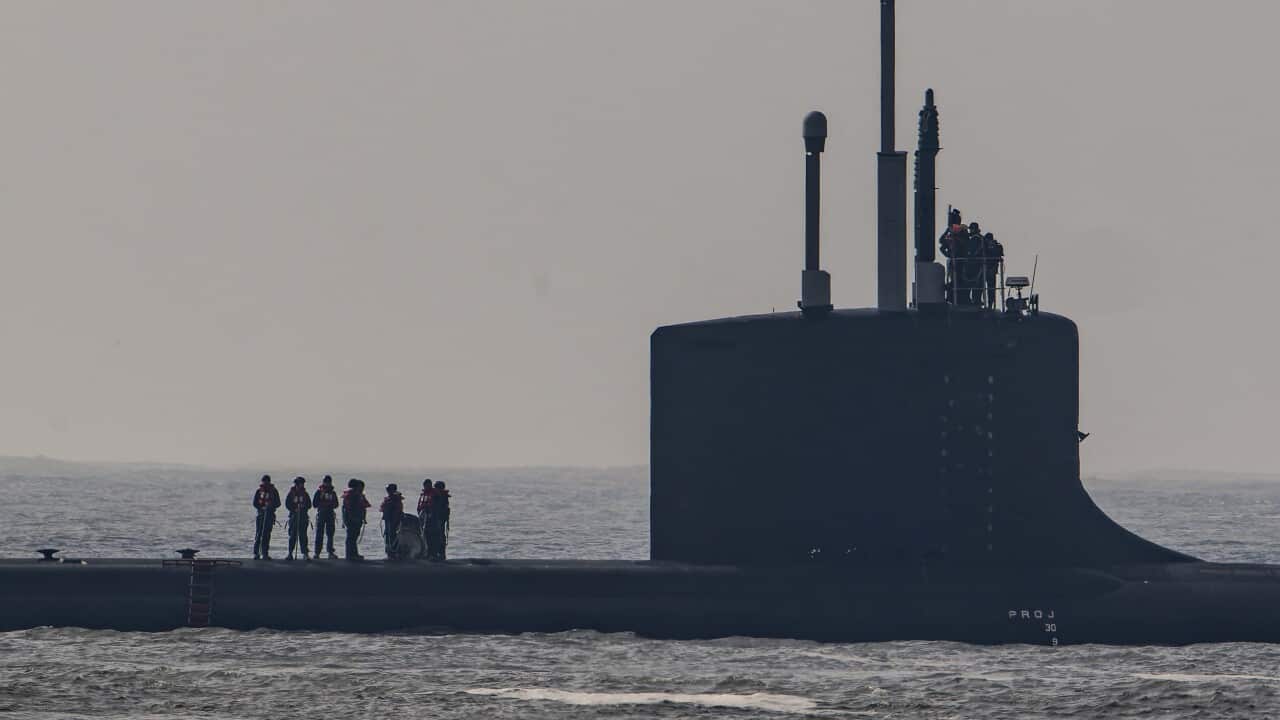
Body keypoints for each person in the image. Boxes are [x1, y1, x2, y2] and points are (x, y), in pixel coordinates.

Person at [252, 474, 281, 560]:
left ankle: (265, 553)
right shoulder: (259, 491)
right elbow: (255, 503)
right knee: (258, 534)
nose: (265, 483)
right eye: (264, 481)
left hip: (269, 516)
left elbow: (278, 503)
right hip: (260, 515)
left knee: (266, 535)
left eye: (267, 481)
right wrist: (261, 507)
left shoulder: (274, 491)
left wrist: (271, 506)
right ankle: (256, 553)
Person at [341, 478, 370, 561]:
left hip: (357, 518)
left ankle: (353, 553)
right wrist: (352, 518)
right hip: (353, 519)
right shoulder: (352, 495)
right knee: (351, 537)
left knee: (354, 537)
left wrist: (362, 518)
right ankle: (350, 554)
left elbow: (362, 507)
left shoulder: (357, 495)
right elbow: (349, 508)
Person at [284, 476, 312, 561]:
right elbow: (287, 504)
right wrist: (294, 509)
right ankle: (290, 553)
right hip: (294, 517)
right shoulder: (291, 494)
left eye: (302, 484)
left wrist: (303, 507)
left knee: (303, 536)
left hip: (303, 517)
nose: (302, 485)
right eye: (300, 484)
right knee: (292, 535)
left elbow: (309, 504)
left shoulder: (305, 494)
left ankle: (305, 553)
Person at [312, 475, 339, 559]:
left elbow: (336, 504)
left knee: (330, 534)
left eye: (328, 482)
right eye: (326, 482)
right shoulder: (319, 492)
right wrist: (323, 504)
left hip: (330, 514)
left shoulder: (333, 493)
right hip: (321, 514)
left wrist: (330, 505)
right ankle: (317, 552)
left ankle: (330, 552)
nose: (327, 484)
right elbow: (314, 504)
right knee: (319, 534)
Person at [426, 480, 451, 561]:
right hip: (435, 519)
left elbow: (440, 509)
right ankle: (436, 553)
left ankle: (439, 553)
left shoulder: (440, 497)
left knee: (438, 536)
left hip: (439, 519)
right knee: (435, 535)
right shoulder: (438, 496)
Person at [381, 484, 405, 559]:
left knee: (393, 535)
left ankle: (394, 552)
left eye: (389, 489)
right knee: (388, 534)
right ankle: (389, 551)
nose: (388, 491)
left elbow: (397, 510)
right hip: (388, 519)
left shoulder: (395, 499)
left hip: (394, 519)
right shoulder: (389, 498)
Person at [981, 232, 1004, 308]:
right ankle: (991, 304)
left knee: (985, 288)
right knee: (991, 289)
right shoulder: (997, 246)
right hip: (992, 269)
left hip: (987, 269)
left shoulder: (987, 246)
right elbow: (999, 257)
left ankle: (988, 304)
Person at [417, 479, 435, 555]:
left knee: (430, 535)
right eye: (425, 485)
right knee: (423, 534)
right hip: (422, 516)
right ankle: (424, 551)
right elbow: (419, 506)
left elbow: (435, 507)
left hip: (430, 518)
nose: (426, 486)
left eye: (427, 485)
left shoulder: (434, 494)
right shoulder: (423, 495)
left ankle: (431, 552)